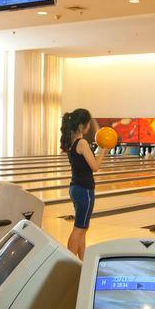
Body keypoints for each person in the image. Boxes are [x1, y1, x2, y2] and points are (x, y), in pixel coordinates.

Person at [61, 108, 109, 259]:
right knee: (79, 228)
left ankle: (83, 262)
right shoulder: (82, 143)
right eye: (88, 124)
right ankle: (69, 263)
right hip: (84, 191)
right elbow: (95, 167)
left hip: (75, 188)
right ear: (82, 126)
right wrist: (104, 151)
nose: (89, 127)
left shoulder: (71, 142)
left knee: (82, 228)